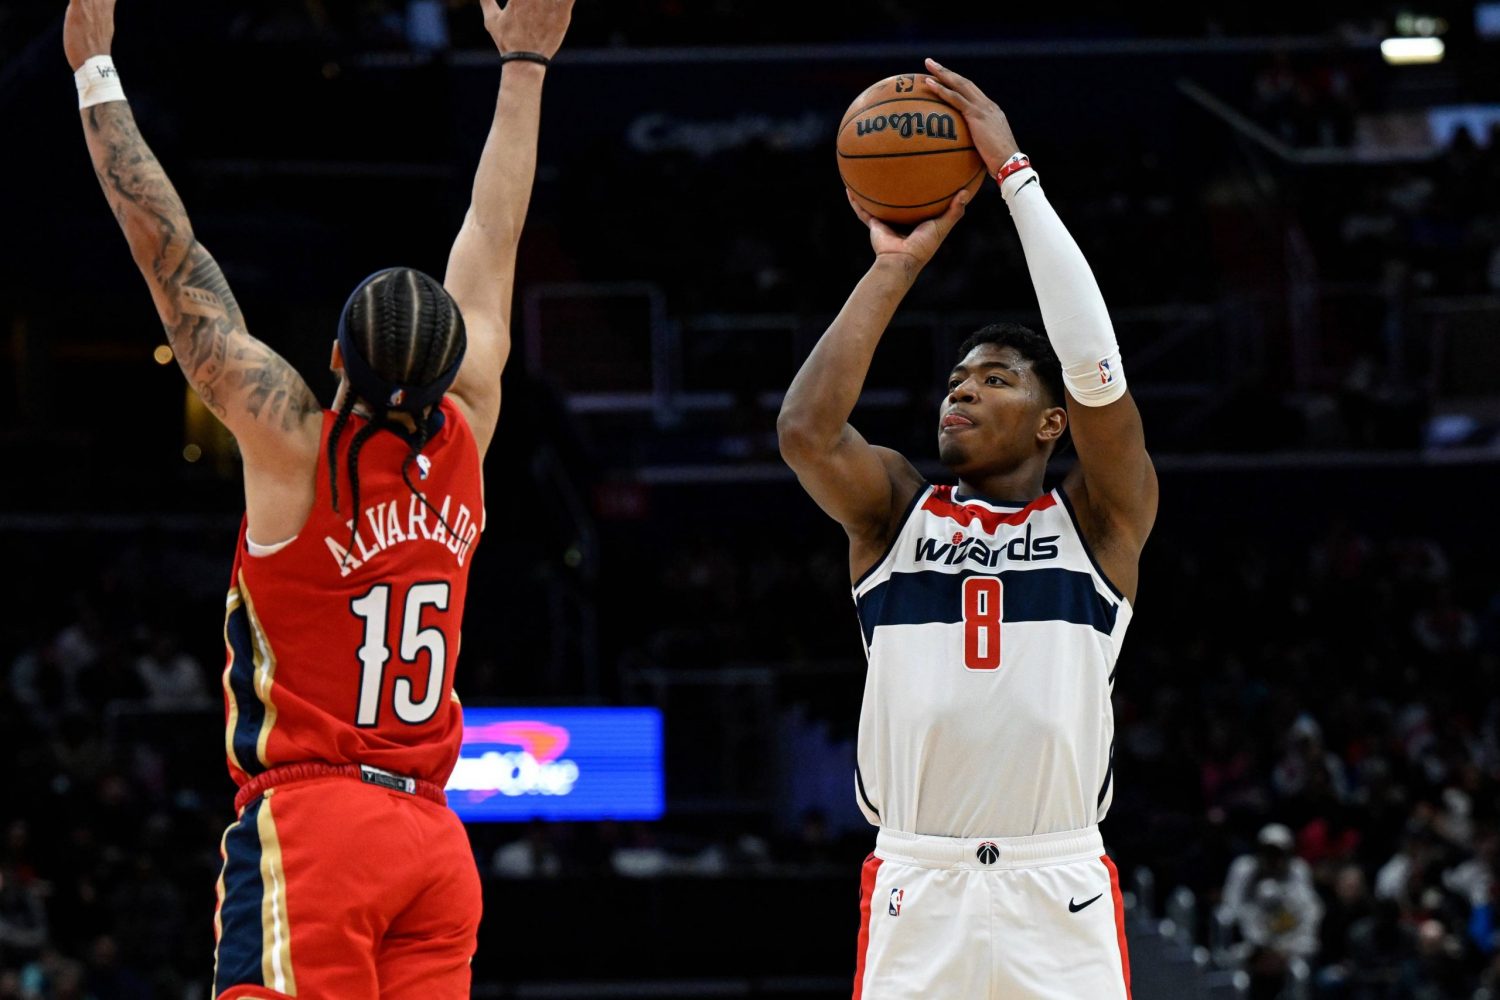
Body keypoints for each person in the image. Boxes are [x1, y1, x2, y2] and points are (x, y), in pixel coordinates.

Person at [64, 0, 573, 995]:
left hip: (319, 826)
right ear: (450, 370)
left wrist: (94, 73)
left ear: (334, 356)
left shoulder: (296, 446)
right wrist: (524, 66)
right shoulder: (469, 430)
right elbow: (492, 234)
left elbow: (171, 259)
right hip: (434, 842)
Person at [778, 60, 1157, 999]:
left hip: (1055, 882)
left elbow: (1098, 371)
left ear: (1050, 420)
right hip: (920, 878)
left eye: (995, 380)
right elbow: (804, 433)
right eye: (956, 378)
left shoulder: (1096, 523)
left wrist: (1016, 179)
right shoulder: (897, 511)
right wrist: (894, 267)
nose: (962, 390)